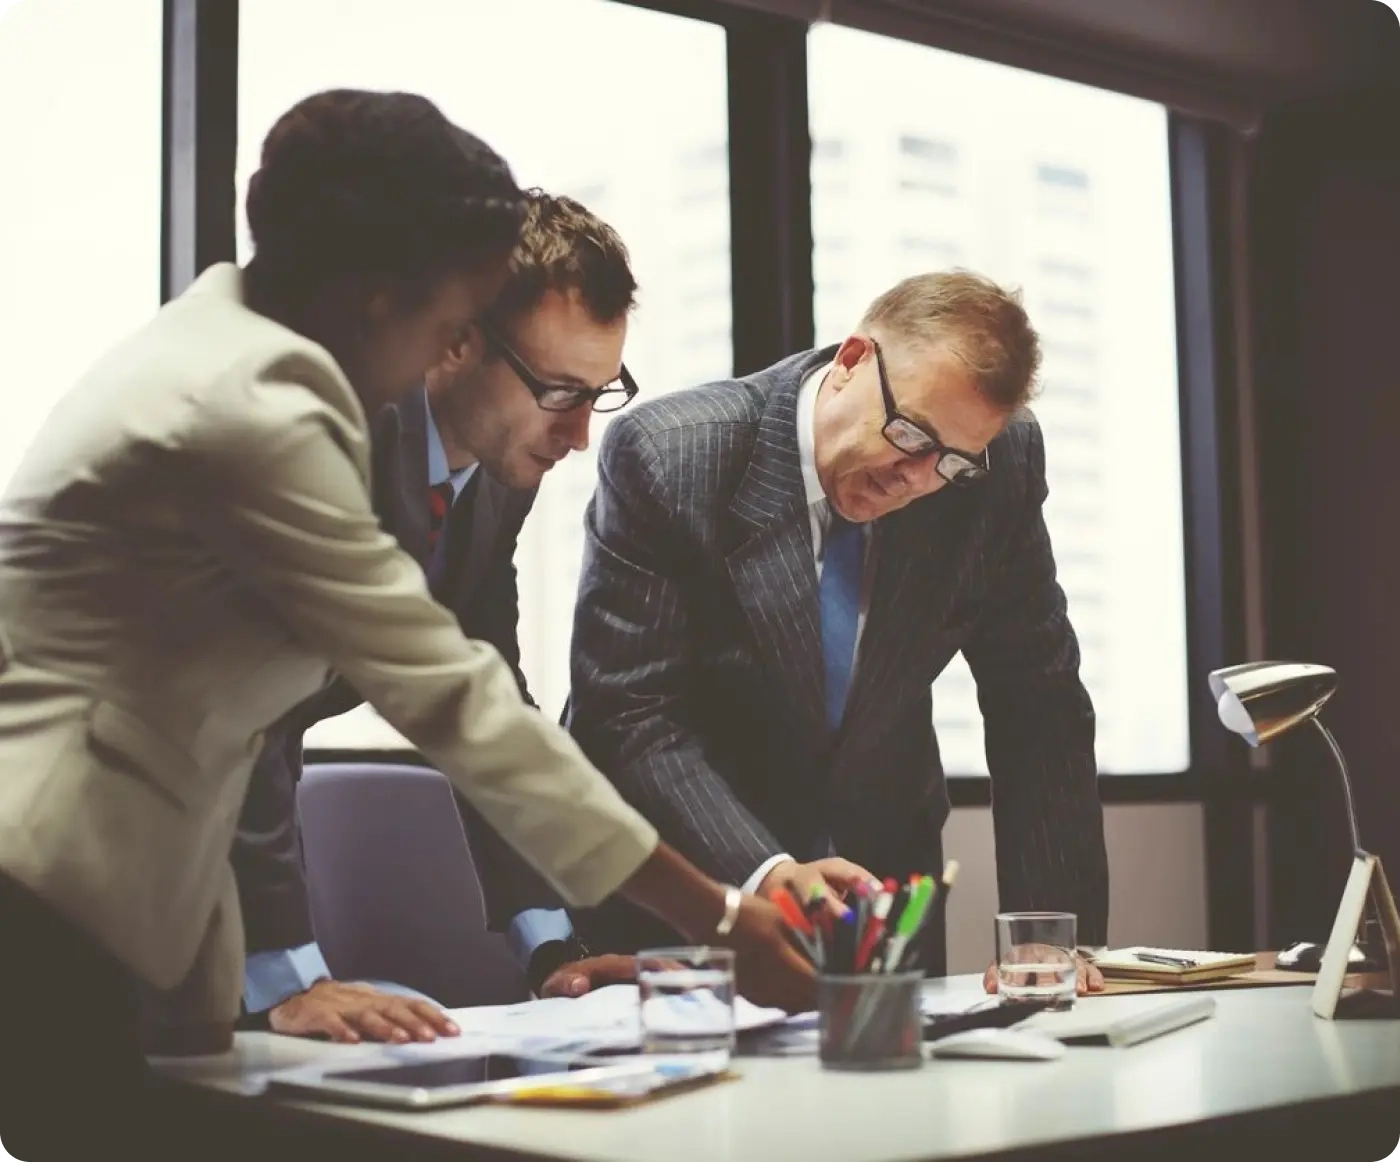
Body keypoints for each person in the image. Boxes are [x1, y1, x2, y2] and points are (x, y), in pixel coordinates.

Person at [0, 90, 810, 1161]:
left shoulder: (244, 347)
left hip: (134, 888)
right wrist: (712, 914)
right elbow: (443, 693)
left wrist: (551, 937)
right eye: (444, 323)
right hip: (44, 879)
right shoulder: (257, 408)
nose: (443, 351)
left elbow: (477, 677)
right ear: (381, 298)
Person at [550, 270, 1109, 989]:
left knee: (891, 1101)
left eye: (952, 466)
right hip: (691, 896)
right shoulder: (673, 454)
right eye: (909, 435)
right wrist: (766, 871)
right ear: (850, 363)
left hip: (882, 894)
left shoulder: (996, 467)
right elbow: (627, 715)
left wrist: (1048, 934)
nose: (916, 479)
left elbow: (1040, 705)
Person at [233, 191, 643, 1044]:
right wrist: (288, 975)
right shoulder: (314, 434)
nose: (578, 438)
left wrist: (552, 948)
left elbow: (484, 707)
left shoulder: (497, 478)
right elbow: (242, 713)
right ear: (455, 342)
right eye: (559, 391)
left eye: (600, 395)